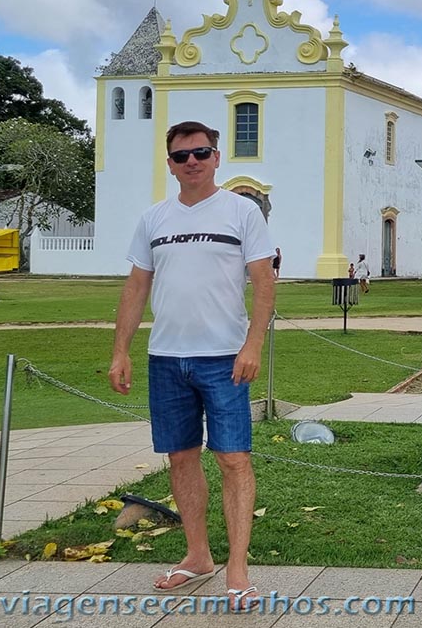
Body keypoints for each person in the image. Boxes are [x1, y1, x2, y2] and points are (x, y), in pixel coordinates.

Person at [108, 120, 275, 613]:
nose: (193, 162)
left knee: (233, 459)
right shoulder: (153, 219)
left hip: (224, 357)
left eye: (201, 153)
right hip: (167, 357)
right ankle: (198, 556)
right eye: (182, 156)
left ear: (217, 158)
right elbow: (136, 287)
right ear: (171, 164)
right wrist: (120, 350)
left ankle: (238, 570)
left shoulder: (242, 212)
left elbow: (264, 282)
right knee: (181, 458)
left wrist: (253, 345)